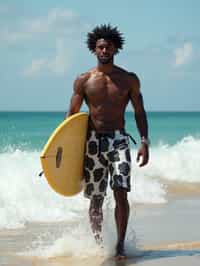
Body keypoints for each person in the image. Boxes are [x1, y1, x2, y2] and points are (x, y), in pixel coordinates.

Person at [66, 24, 149, 259]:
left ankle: (120, 245)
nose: (104, 50)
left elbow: (140, 112)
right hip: (92, 141)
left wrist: (144, 141)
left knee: (121, 191)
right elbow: (71, 116)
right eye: (100, 46)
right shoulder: (83, 80)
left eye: (108, 46)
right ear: (94, 49)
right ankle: (100, 245)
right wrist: (65, 150)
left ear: (115, 48)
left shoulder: (128, 80)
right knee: (96, 197)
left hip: (119, 139)